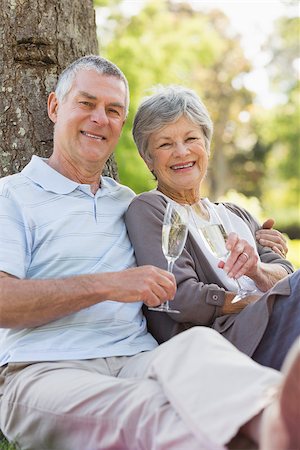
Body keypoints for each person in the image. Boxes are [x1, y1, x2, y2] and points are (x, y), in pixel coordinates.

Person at [0, 55, 299, 450]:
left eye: (113, 111)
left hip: (139, 358)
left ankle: (276, 424)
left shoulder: (124, 201)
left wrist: (258, 246)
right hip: (45, 369)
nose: (99, 119)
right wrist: (108, 286)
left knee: (201, 351)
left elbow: (196, 242)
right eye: (86, 104)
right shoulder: (11, 197)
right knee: (154, 409)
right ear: (56, 107)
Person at [125, 84, 299, 371]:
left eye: (191, 138)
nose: (181, 152)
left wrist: (257, 270)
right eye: (165, 144)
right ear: (148, 159)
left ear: (206, 146)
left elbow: (287, 277)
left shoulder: (236, 214)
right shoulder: (152, 208)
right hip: (224, 341)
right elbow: (180, 296)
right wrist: (254, 301)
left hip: (269, 325)